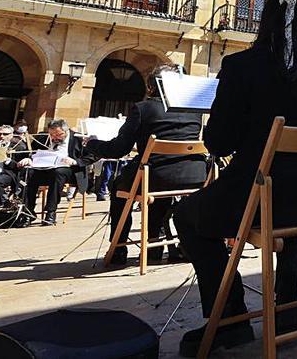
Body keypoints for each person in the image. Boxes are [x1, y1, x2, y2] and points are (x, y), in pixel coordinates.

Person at [173, 0, 297, 357]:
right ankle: (287, 307)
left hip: (258, 194)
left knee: (186, 216)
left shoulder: (240, 66)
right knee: (289, 202)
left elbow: (219, 143)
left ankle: (231, 318)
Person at [86, 65, 209, 266]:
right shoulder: (195, 111)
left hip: (154, 176)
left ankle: (119, 247)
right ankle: (154, 245)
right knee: (158, 190)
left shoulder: (143, 108)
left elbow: (118, 149)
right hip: (193, 178)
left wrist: (91, 143)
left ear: (152, 87)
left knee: (118, 187)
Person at [20, 119, 87, 226]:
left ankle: (50, 213)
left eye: (58, 135)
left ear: (66, 131)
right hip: (44, 168)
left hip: (68, 170)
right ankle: (28, 212)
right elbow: (31, 152)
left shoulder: (77, 138)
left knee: (58, 173)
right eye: (51, 134)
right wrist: (29, 159)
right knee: (29, 172)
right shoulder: (43, 137)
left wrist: (75, 161)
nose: (54, 137)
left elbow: (92, 156)